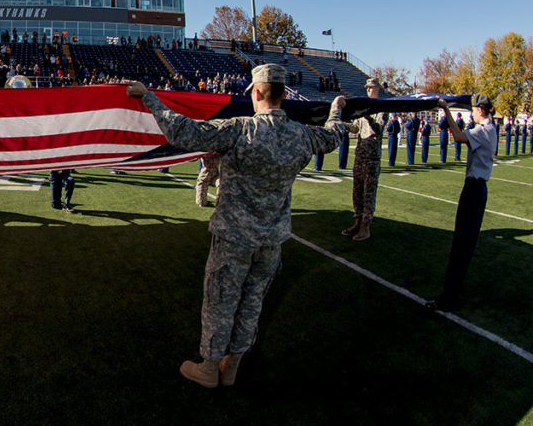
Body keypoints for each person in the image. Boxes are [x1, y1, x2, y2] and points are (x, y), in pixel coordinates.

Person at [126, 64, 345, 388]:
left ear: (256, 93)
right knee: (252, 301)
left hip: (234, 238)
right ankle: (233, 366)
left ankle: (210, 367)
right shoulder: (302, 134)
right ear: (284, 95)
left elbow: (183, 133)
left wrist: (150, 98)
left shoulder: (240, 129)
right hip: (271, 240)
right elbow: (333, 137)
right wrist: (337, 110)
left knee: (220, 300)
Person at [425, 95, 495, 312]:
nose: (472, 113)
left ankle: (448, 298)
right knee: (466, 243)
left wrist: (445, 110)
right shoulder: (492, 129)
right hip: (479, 189)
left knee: (461, 245)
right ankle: (454, 291)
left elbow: (457, 136)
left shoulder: (483, 131)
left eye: (473, 109)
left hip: (473, 190)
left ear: (481, 110)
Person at [342, 78, 387, 241]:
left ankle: (365, 226)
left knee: (368, 193)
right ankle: (357, 221)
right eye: (367, 88)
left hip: (372, 157)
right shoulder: (362, 107)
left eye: (371, 88)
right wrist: (342, 124)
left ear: (377, 89)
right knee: (357, 191)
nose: (368, 90)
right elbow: (355, 128)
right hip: (360, 155)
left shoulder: (381, 109)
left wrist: (368, 117)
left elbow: (379, 129)